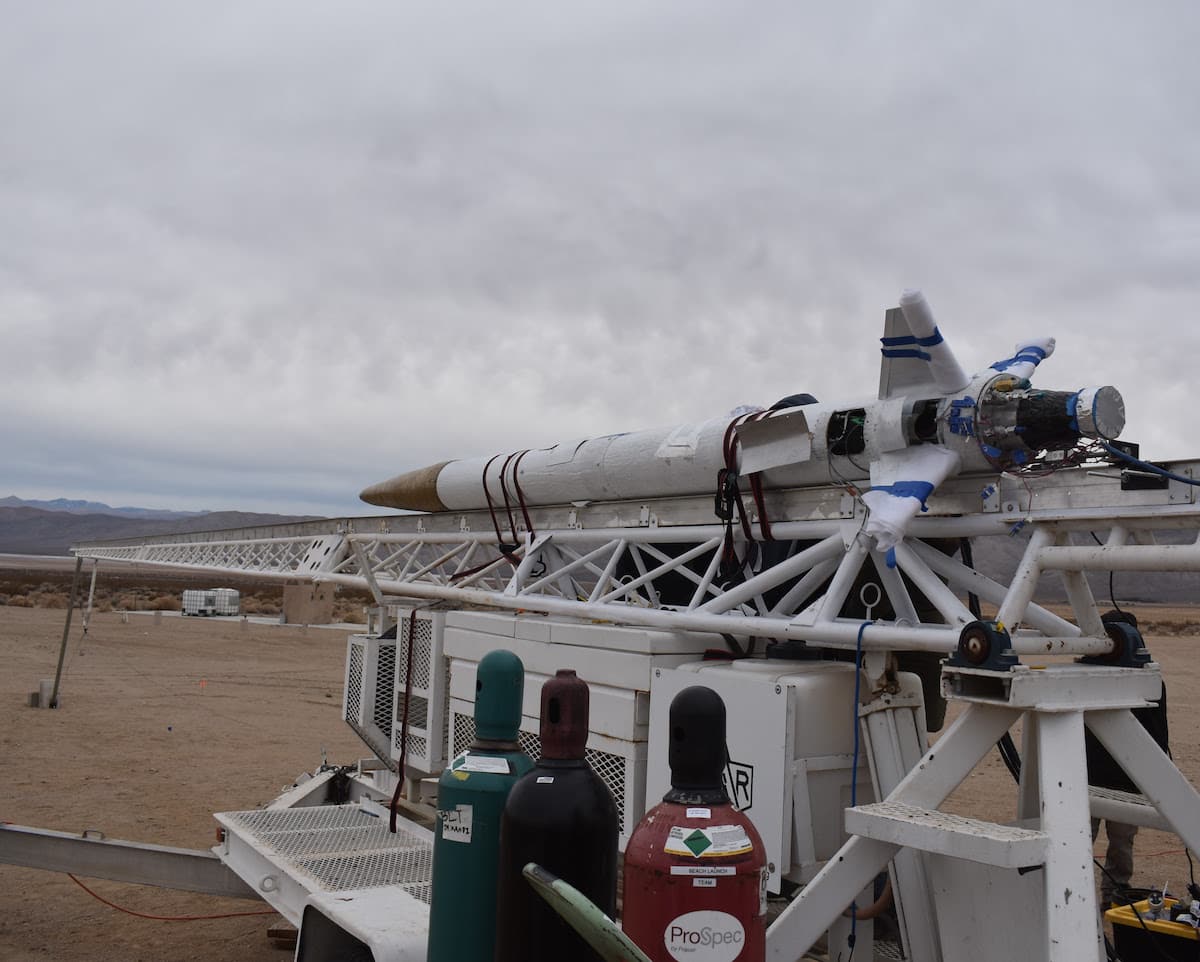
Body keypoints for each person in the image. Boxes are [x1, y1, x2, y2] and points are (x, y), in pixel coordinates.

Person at [1084, 612, 1170, 908]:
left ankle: (1114, 896)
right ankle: (1077, 894)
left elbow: (1157, 731)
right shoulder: (1089, 677)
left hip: (1120, 777)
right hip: (1093, 775)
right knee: (1082, 838)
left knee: (1120, 844)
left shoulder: (1148, 679)